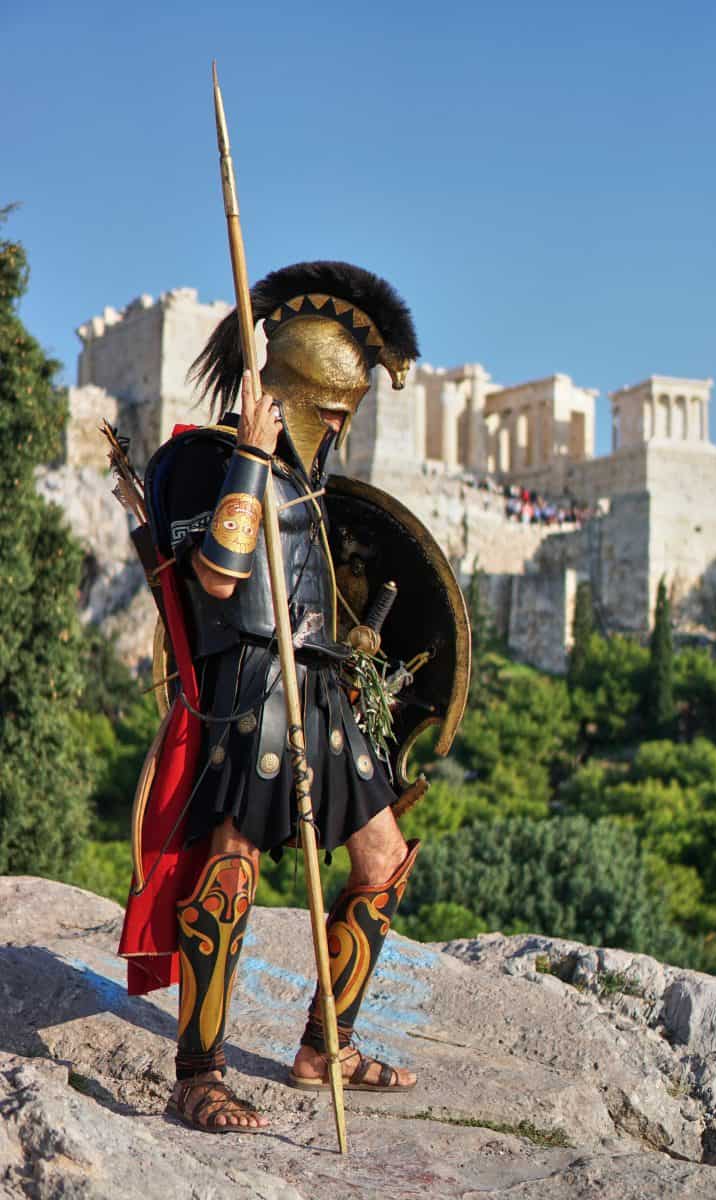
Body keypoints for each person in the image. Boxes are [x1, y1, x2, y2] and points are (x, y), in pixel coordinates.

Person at [120, 262, 461, 1134]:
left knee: (383, 857)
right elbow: (217, 576)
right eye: (332, 410)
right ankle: (198, 1074)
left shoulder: (308, 477)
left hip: (317, 685)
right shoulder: (203, 462)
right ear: (297, 392)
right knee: (229, 871)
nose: (339, 428)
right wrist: (249, 455)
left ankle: (325, 1047)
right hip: (247, 690)